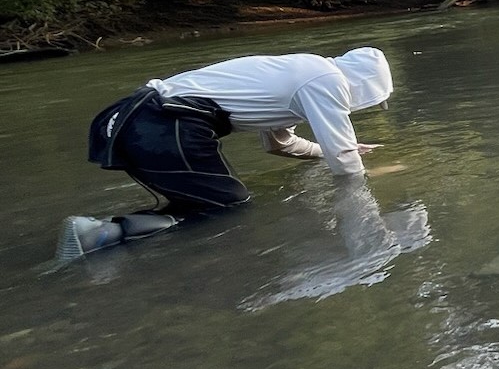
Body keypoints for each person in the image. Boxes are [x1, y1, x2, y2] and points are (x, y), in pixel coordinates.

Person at [58, 47, 393, 260]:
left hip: (137, 116)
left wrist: (329, 152)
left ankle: (109, 234)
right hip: (166, 121)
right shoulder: (326, 81)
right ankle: (101, 235)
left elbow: (279, 144)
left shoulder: (304, 73)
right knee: (231, 207)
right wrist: (358, 191)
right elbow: (346, 162)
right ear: (365, 87)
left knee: (208, 203)